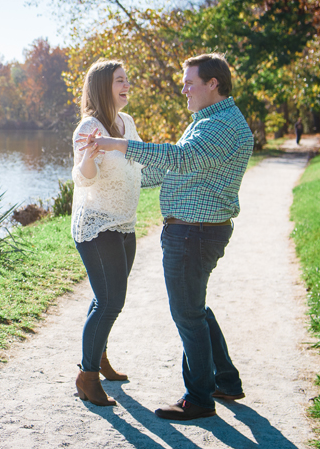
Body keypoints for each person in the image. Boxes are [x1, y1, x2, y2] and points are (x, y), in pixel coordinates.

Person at [77, 53, 253, 420]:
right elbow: (172, 172)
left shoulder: (218, 126)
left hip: (194, 233)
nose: (184, 89)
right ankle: (226, 380)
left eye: (190, 83)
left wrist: (120, 146)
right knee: (196, 308)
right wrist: (122, 173)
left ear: (212, 84)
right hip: (194, 231)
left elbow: (182, 159)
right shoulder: (208, 121)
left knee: (188, 314)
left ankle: (199, 398)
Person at [70, 59, 144, 407]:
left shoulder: (126, 122)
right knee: (111, 299)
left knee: (107, 297)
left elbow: (141, 157)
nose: (126, 84)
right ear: (103, 86)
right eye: (119, 80)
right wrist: (88, 154)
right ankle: (87, 376)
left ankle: (98, 356)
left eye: (127, 79)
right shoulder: (89, 126)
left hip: (125, 224)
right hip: (98, 225)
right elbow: (84, 177)